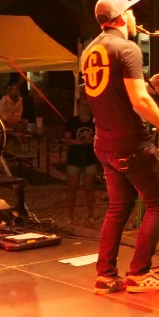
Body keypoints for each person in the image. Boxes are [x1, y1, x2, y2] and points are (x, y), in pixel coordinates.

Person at [79, 0, 159, 295]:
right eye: (131, 12)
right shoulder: (127, 48)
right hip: (132, 143)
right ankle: (139, 274)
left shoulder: (90, 50)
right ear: (122, 16)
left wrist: (149, 85)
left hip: (105, 141)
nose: (135, 17)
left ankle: (106, 276)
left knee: (118, 207)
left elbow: (113, 92)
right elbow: (138, 101)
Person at [62, 97, 99, 226]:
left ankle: (91, 215)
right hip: (74, 158)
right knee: (72, 187)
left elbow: (100, 137)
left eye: (87, 105)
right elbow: (67, 139)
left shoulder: (94, 122)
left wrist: (92, 141)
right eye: (82, 105)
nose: (85, 108)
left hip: (90, 158)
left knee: (89, 188)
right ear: (78, 107)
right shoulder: (72, 122)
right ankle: (70, 215)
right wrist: (81, 142)